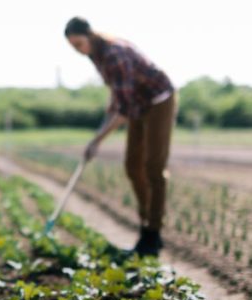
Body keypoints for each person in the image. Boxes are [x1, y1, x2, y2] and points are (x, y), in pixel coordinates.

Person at [64, 17, 176, 258]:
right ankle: (145, 222)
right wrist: (102, 125)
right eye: (73, 47)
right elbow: (118, 95)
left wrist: (97, 141)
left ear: (90, 35)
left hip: (158, 100)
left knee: (154, 168)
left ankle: (152, 235)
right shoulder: (95, 55)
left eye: (79, 44)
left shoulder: (115, 53)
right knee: (133, 167)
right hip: (137, 104)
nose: (78, 50)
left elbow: (123, 111)